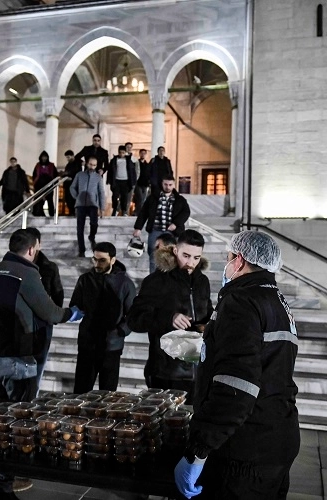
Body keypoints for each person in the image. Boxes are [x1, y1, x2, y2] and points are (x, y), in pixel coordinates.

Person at [174, 231, 300, 500]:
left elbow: (236, 387)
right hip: (278, 435)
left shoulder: (241, 300)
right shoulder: (277, 301)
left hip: (245, 448)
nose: (227, 264)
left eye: (229, 257)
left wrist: (198, 451)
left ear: (239, 260)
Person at [0, 229, 82, 496]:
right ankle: (5, 483)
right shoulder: (25, 274)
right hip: (20, 356)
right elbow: (49, 312)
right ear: (31, 249)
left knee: (2, 416)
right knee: (19, 421)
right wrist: (72, 314)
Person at [128, 229, 212, 396]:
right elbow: (134, 319)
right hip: (165, 373)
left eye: (196, 258)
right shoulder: (156, 281)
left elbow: (207, 312)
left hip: (198, 372)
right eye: (186, 256)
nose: (191, 263)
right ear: (175, 250)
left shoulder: (203, 281)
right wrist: (169, 318)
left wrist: (208, 325)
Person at [70, 242, 136, 393]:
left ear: (113, 260)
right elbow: (75, 305)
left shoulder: (125, 284)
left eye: (102, 260)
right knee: (80, 392)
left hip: (111, 346)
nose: (97, 264)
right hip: (88, 344)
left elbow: (133, 314)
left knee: (108, 395)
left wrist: (120, 331)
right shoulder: (85, 279)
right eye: (94, 259)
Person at [27, 227, 65, 393]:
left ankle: (32, 394)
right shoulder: (16, 266)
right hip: (21, 321)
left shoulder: (49, 267)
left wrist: (52, 316)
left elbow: (58, 293)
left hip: (42, 323)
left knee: (39, 363)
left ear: (39, 245)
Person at [133, 175, 191, 273]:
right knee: (153, 256)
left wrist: (176, 224)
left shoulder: (179, 199)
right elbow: (144, 212)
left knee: (173, 256)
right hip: (156, 230)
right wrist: (138, 228)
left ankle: (171, 278)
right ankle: (153, 278)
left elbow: (186, 212)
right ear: (162, 184)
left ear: (174, 185)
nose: (168, 187)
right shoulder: (153, 198)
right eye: (165, 184)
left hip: (173, 232)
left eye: (170, 185)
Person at [69, 157, 106, 258]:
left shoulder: (98, 177)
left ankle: (92, 237)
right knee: (80, 228)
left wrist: (102, 208)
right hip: (80, 205)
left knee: (94, 224)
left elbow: (101, 192)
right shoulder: (79, 175)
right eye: (90, 164)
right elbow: (72, 187)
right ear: (87, 164)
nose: (92, 167)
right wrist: (77, 197)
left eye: (94, 165)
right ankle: (82, 250)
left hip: (93, 204)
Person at [107, 145, 137, 216]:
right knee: (115, 196)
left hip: (125, 181)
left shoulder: (129, 160)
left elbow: (133, 171)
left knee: (124, 197)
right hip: (116, 181)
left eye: (123, 152)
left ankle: (124, 211)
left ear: (125, 152)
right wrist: (109, 181)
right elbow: (110, 171)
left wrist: (133, 181)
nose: (121, 154)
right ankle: (114, 209)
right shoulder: (114, 160)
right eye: (120, 152)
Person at [31, 151, 58, 217]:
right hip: (39, 185)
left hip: (49, 184)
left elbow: (55, 175)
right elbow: (34, 175)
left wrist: (55, 184)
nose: (44, 158)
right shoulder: (38, 165)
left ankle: (51, 214)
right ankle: (37, 213)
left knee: (49, 200)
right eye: (43, 157)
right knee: (38, 200)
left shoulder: (51, 165)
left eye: (45, 157)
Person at [62, 149, 81, 215]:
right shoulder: (68, 165)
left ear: (72, 156)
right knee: (68, 200)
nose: (68, 159)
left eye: (68, 157)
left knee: (73, 200)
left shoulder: (78, 163)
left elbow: (77, 173)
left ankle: (74, 212)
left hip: (74, 185)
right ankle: (71, 212)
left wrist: (70, 177)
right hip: (68, 185)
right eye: (67, 157)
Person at [133, 148, 151, 215]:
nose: (143, 155)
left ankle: (138, 212)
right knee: (139, 198)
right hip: (138, 183)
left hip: (145, 184)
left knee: (143, 199)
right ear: (139, 154)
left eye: (144, 153)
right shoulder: (136, 163)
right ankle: (137, 212)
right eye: (141, 153)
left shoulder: (147, 165)